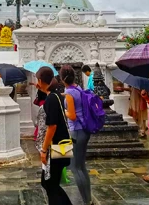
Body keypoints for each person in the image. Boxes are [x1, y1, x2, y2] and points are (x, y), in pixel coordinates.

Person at [36, 66, 73, 205]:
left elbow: (52, 126)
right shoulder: (56, 95)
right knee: (50, 183)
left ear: (40, 80)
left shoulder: (51, 99)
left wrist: (44, 150)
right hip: (62, 145)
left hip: (55, 147)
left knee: (49, 183)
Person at [61, 65, 92, 205]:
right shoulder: (77, 88)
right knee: (82, 167)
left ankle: (86, 201)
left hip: (77, 131)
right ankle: (88, 199)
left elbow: (72, 115)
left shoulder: (69, 93)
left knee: (75, 168)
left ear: (62, 79)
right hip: (83, 130)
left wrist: (63, 110)